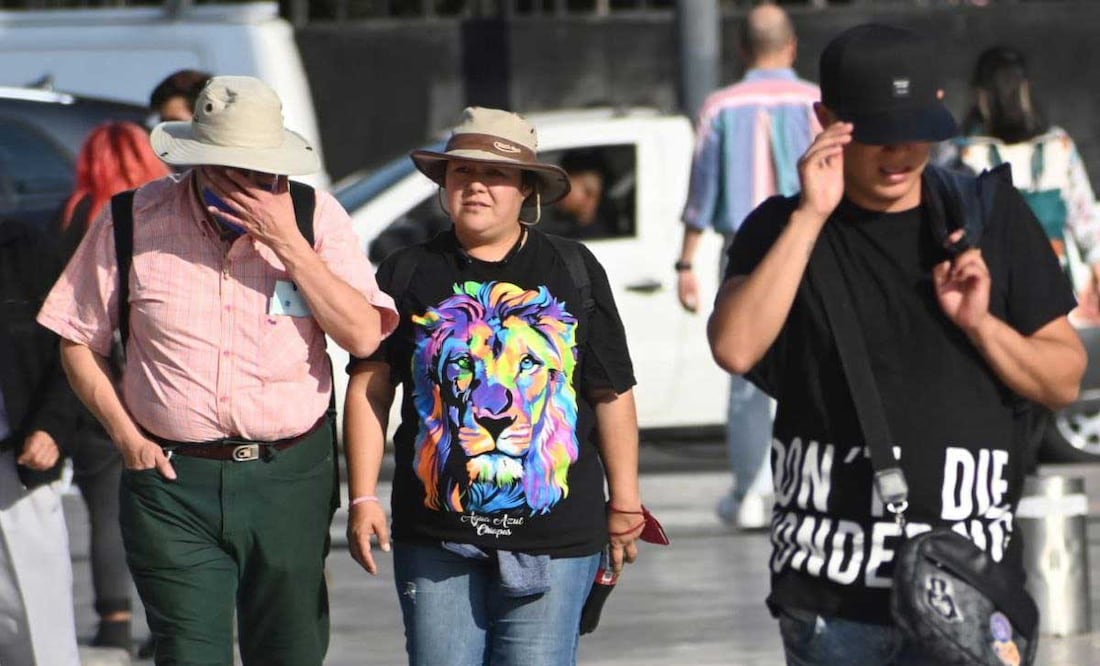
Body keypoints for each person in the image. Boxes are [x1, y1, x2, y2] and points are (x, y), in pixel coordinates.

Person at [707, 24, 1085, 664]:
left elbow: (1064, 378)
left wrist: (982, 325)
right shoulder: (779, 228)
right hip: (832, 594)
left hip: (967, 589)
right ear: (826, 120)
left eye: (916, 127)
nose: (900, 151)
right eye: (877, 132)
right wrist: (810, 217)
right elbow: (736, 349)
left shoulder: (990, 217)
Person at [38, 75, 398, 665]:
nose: (254, 186)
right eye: (235, 171)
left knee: (291, 650)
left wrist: (290, 247)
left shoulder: (315, 217)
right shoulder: (132, 219)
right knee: (188, 652)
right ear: (199, 164)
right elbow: (77, 339)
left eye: (265, 170)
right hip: (172, 482)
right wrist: (126, 436)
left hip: (289, 475)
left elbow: (362, 335)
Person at [343, 106, 645, 665]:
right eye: (461, 172)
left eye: (495, 174)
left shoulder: (573, 268)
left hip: (556, 537)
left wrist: (625, 502)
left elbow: (611, 391)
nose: (476, 185)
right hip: (436, 534)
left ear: (526, 189)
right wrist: (362, 495)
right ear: (444, 184)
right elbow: (371, 387)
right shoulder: (406, 271)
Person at [676, 2, 819, 530]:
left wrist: (685, 262)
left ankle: (753, 492)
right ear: (793, 44)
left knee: (745, 375)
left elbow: (701, 193)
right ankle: (802, 486)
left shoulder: (720, 106)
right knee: (812, 361)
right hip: (808, 243)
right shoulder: (816, 102)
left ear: (741, 49)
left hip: (743, 247)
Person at [55, 121, 171, 652]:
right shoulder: (156, 210)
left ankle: (115, 619)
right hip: (159, 382)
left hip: (98, 381)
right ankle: (168, 617)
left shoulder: (79, 212)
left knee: (104, 506)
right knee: (168, 510)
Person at [951, 46, 1100, 322]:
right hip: (999, 292)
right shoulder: (966, 155)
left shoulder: (1057, 145)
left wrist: (1096, 266)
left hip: (1060, 287)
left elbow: (1085, 216)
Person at [0, 217, 81, 665]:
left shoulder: (23, 244)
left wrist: (53, 426)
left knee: (40, 630)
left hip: (19, 462)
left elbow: (73, 345)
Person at [540, 149, 619, 240]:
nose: (559, 190)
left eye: (566, 184)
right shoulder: (564, 232)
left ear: (590, 192)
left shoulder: (599, 238)